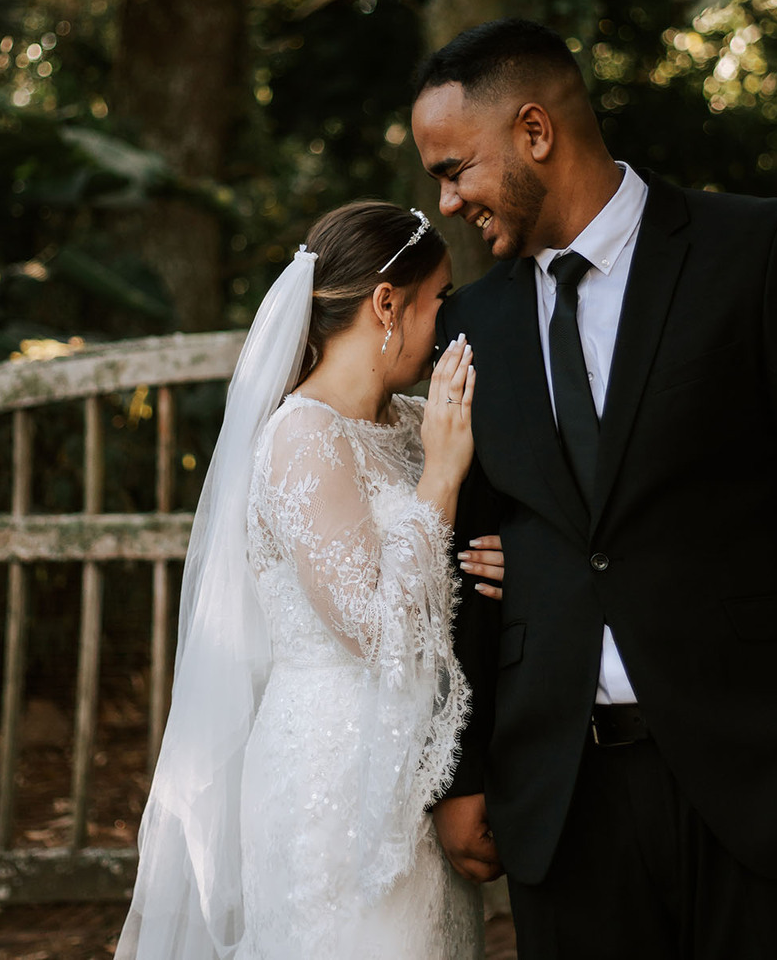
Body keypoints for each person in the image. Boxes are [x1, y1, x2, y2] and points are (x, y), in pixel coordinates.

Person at [411, 17, 777, 960]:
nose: (450, 203)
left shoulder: (758, 251)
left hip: (758, 777)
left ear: (535, 132)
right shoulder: (473, 324)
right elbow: (466, 549)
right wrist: (460, 775)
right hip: (562, 797)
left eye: (455, 169)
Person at [115, 201, 505, 960]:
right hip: (336, 777)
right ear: (386, 304)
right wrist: (443, 478)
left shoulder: (411, 423)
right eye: (438, 301)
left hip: (422, 765)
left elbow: (449, 586)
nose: (447, 326)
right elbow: (380, 631)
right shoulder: (302, 435)